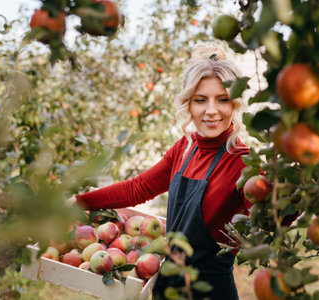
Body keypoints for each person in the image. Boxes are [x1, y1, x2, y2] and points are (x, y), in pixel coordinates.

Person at [74, 42, 251, 300]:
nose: (211, 111)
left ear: (234, 104)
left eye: (222, 99)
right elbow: (137, 188)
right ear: (188, 104)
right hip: (165, 288)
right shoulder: (184, 149)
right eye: (201, 100)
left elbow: (264, 221)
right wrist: (80, 202)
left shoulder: (242, 162)